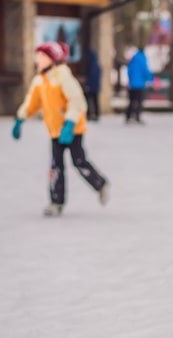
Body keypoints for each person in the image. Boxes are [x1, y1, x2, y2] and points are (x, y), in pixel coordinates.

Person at [12, 42, 110, 217]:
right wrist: (21, 118)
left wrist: (70, 124)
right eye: (37, 57)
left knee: (79, 161)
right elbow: (32, 102)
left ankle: (100, 184)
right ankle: (56, 201)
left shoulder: (63, 77)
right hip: (55, 131)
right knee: (56, 166)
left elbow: (77, 101)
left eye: (42, 57)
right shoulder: (39, 80)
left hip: (73, 130)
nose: (38, 60)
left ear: (53, 59)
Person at [126, 46, 152, 124]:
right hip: (140, 85)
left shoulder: (133, 59)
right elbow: (145, 71)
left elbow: (129, 71)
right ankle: (137, 117)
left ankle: (128, 116)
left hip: (132, 85)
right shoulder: (142, 60)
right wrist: (150, 78)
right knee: (139, 102)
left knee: (131, 101)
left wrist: (130, 80)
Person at [84, 48, 102, 122]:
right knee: (95, 101)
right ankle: (96, 114)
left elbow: (91, 76)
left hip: (91, 86)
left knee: (89, 100)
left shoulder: (91, 65)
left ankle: (89, 114)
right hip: (96, 86)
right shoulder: (97, 64)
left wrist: (88, 84)